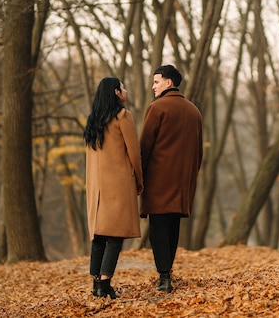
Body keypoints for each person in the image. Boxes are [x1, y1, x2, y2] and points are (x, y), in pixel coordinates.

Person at [140, 65, 203, 293]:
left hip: (158, 180)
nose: (153, 86)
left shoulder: (157, 108)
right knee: (172, 228)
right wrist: (189, 177)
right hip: (182, 182)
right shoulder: (194, 111)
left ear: (169, 83)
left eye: (156, 82)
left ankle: (164, 277)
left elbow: (145, 146)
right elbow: (199, 153)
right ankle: (167, 274)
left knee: (157, 228)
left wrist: (139, 176)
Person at [83, 77, 144, 299]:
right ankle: (105, 283)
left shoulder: (93, 120)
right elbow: (134, 152)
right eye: (123, 87)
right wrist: (139, 178)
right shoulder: (122, 116)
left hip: (96, 187)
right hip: (117, 184)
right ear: (116, 92)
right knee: (115, 236)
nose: (125, 90)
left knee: (99, 236)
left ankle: (96, 282)